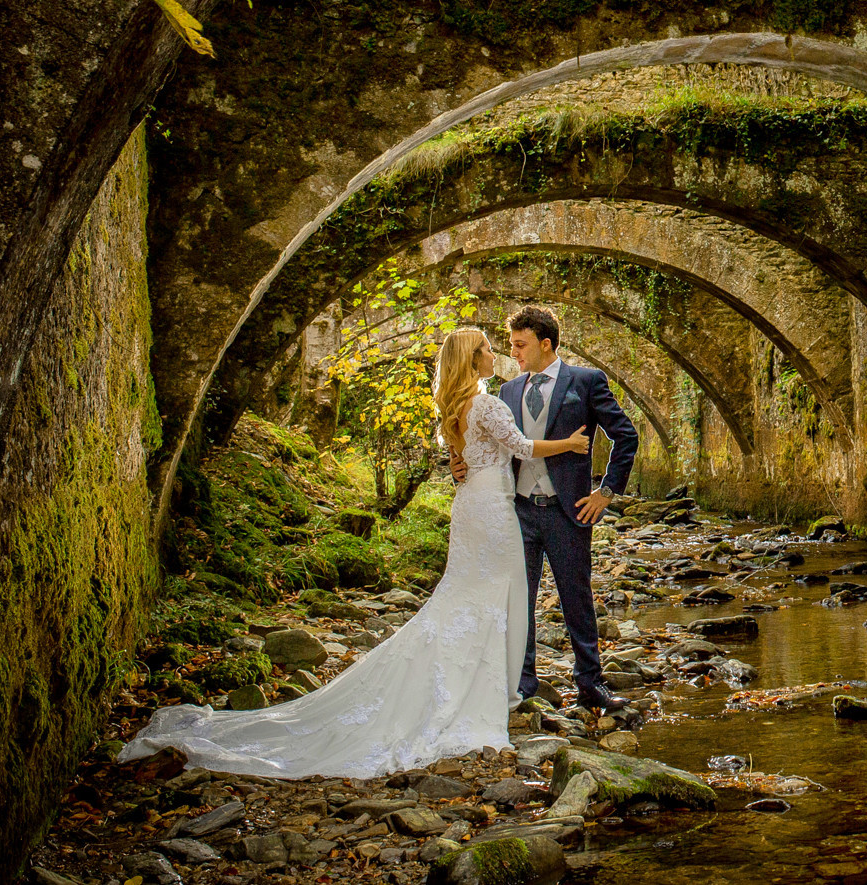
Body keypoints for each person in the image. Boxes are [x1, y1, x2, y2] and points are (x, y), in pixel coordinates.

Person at [116, 328, 589, 777]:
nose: (494, 352)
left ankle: (467, 683)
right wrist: (568, 443)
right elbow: (522, 448)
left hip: (472, 506)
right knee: (489, 595)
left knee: (465, 595)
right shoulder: (485, 403)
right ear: (472, 359)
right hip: (493, 510)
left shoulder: (458, 407)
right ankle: (476, 692)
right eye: (487, 347)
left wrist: (460, 465)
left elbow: (463, 459)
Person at [449, 304, 638, 712]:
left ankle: (591, 683)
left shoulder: (586, 382)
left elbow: (626, 436)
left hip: (568, 511)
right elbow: (489, 448)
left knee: (577, 597)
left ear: (545, 343)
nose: (513, 353)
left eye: (520, 345)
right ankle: (523, 684)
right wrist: (459, 463)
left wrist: (606, 492)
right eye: (511, 345)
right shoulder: (507, 392)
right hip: (515, 511)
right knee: (520, 598)